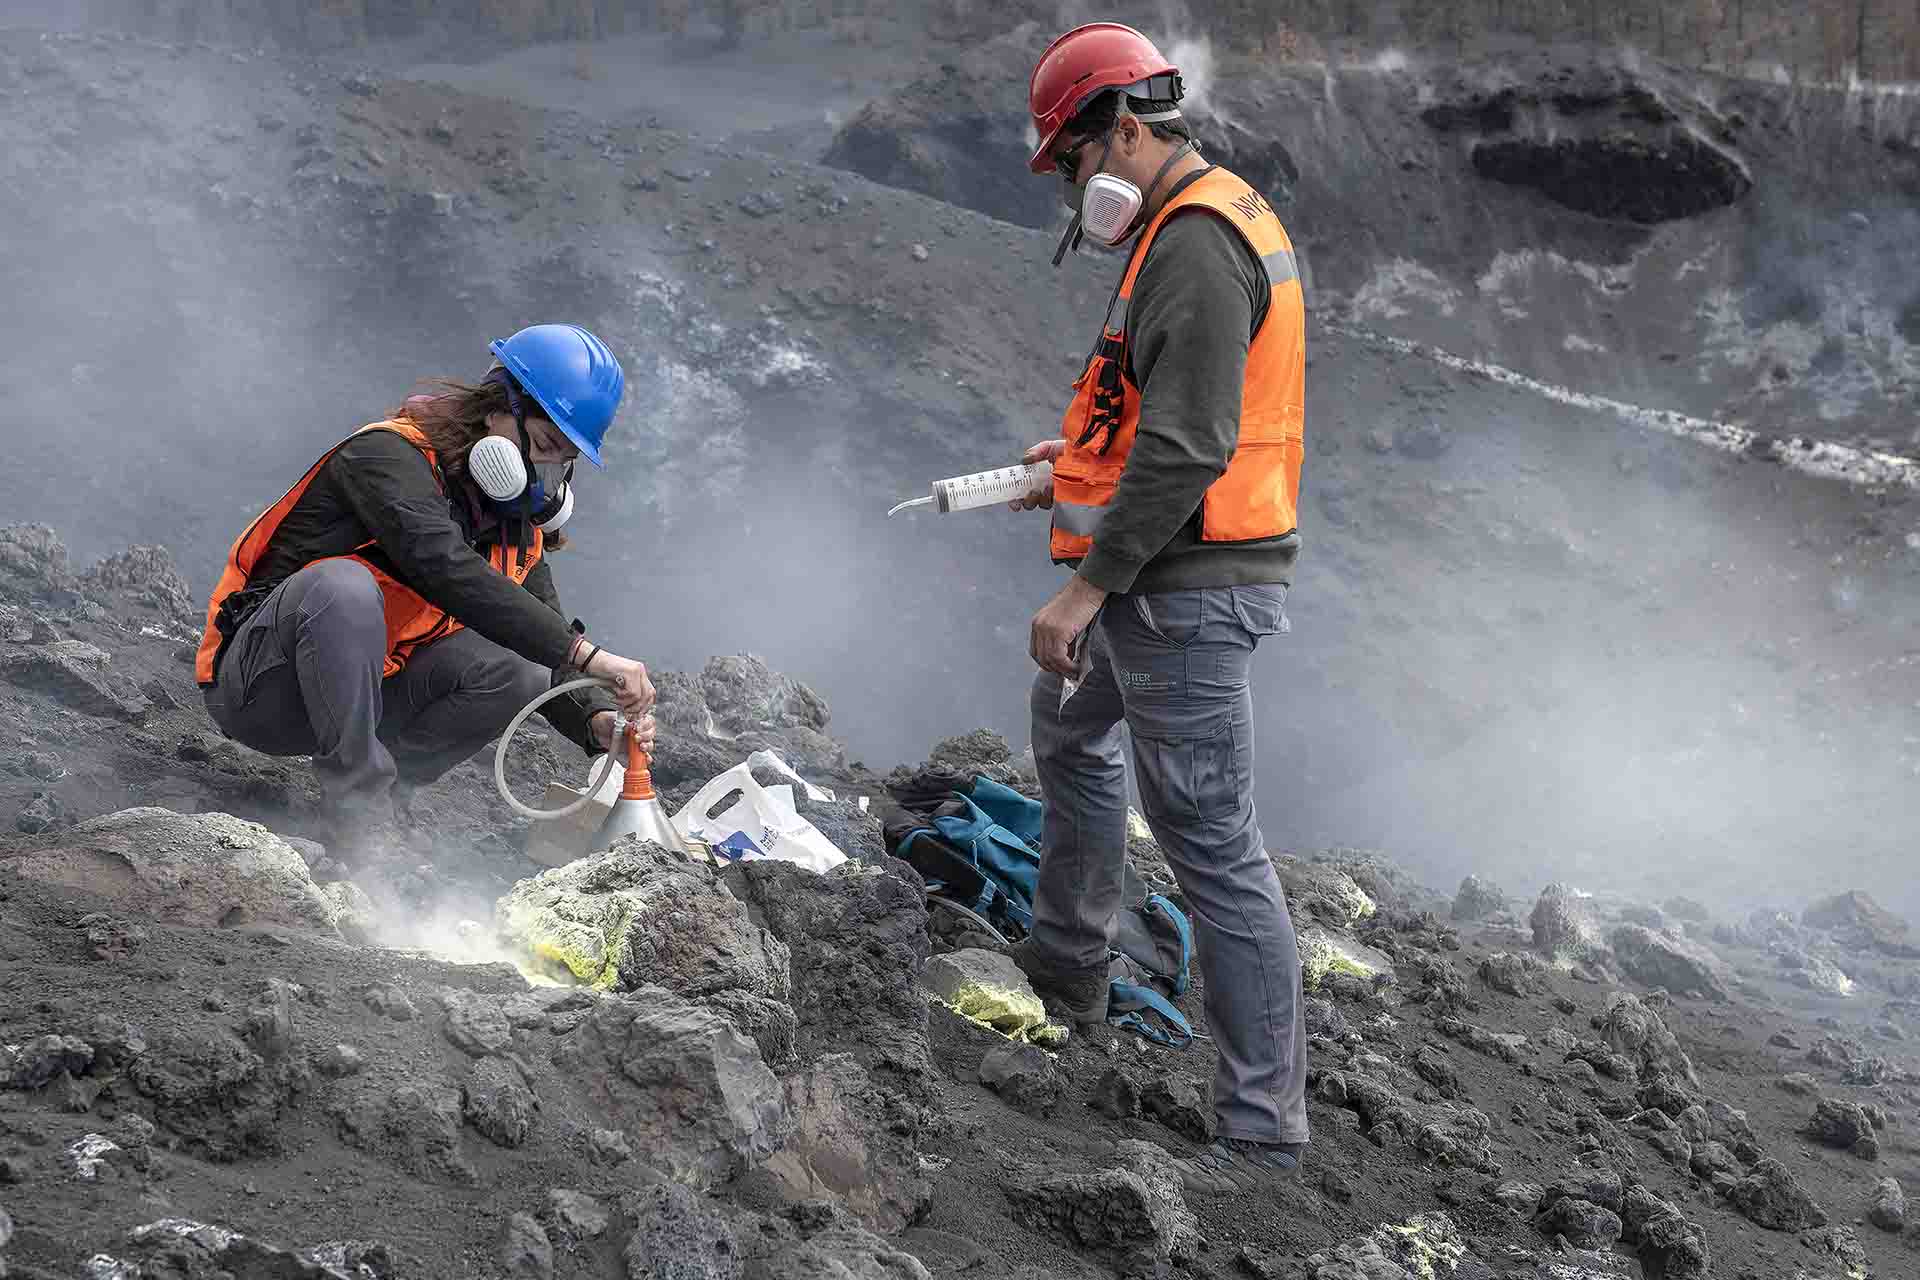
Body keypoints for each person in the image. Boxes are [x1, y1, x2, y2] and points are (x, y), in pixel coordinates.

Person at [1005, 23, 1312, 1189]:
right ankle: (1071, 960)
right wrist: (1070, 458)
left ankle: (1261, 1132)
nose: (1078, 188)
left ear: (1124, 126)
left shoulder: (1193, 243)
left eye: (1076, 163)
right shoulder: (1191, 222)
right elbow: (1144, 420)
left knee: (1213, 845)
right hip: (1170, 576)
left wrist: (1085, 589)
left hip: (1186, 594)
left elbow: (1188, 447)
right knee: (1069, 726)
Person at [194, 323, 657, 862]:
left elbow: (541, 634)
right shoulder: (385, 459)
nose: (545, 471)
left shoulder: (512, 526)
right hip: (263, 690)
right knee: (342, 588)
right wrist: (593, 656)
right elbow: (446, 568)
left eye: (561, 459)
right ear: (499, 407)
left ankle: (385, 799)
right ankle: (358, 817)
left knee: (520, 667)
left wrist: (596, 722)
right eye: (545, 445)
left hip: (365, 696)